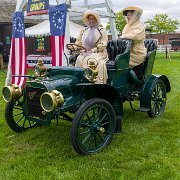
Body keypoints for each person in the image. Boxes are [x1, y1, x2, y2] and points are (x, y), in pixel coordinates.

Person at [75, 10, 108, 84]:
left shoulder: (101, 31)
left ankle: (95, 81)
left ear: (96, 20)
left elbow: (104, 44)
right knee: (79, 59)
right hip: (84, 52)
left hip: (98, 52)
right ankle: (80, 79)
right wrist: (75, 47)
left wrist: (93, 50)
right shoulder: (84, 30)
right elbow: (78, 41)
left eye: (93, 19)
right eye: (90, 19)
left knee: (91, 60)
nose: (91, 21)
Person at [121, 6, 147, 79]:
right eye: (127, 15)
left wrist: (124, 36)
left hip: (137, 52)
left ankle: (131, 79)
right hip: (127, 51)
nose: (128, 17)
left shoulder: (139, 26)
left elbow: (134, 36)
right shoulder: (128, 26)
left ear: (135, 16)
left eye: (130, 15)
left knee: (121, 61)